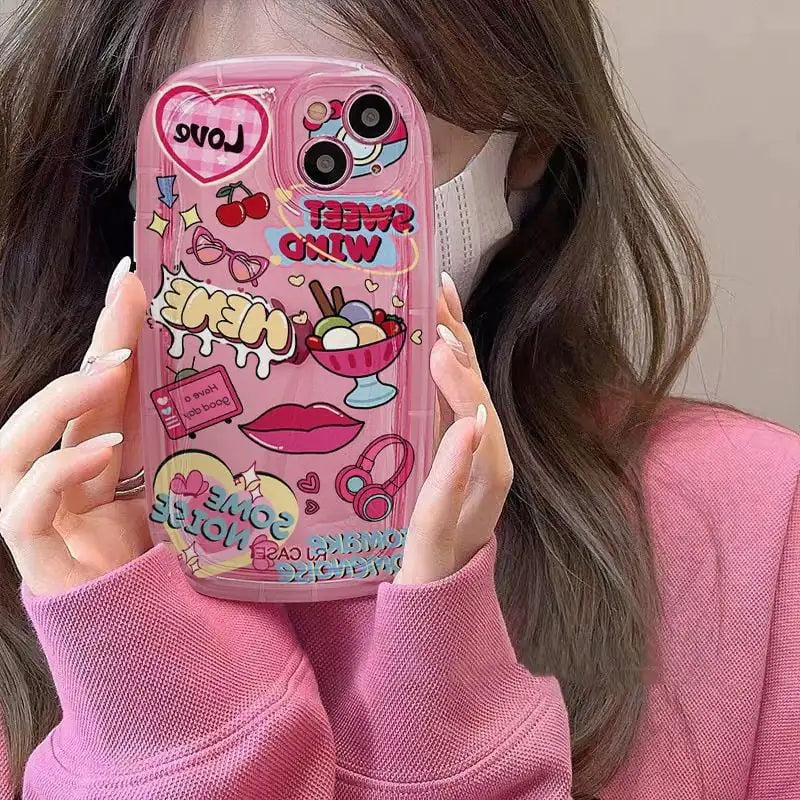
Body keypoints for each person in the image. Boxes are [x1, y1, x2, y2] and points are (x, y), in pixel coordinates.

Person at [0, 1, 797, 798]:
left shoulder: (755, 529)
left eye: (356, 146)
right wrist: (147, 686)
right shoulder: (43, 549)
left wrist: (439, 704)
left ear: (528, 147)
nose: (290, 241)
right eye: (221, 146)